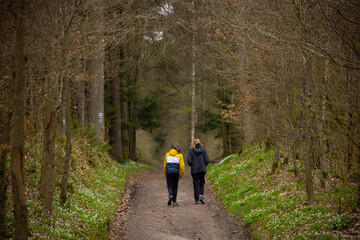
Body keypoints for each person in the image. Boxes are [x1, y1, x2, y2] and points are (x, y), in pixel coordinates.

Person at [187, 139, 210, 204]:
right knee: (202, 182)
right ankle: (201, 195)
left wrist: (192, 165)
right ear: (200, 143)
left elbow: (189, 160)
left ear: (193, 144)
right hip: (202, 169)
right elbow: (207, 160)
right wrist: (203, 164)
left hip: (194, 170)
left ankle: (196, 199)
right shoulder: (203, 151)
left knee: (195, 183)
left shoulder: (191, 151)